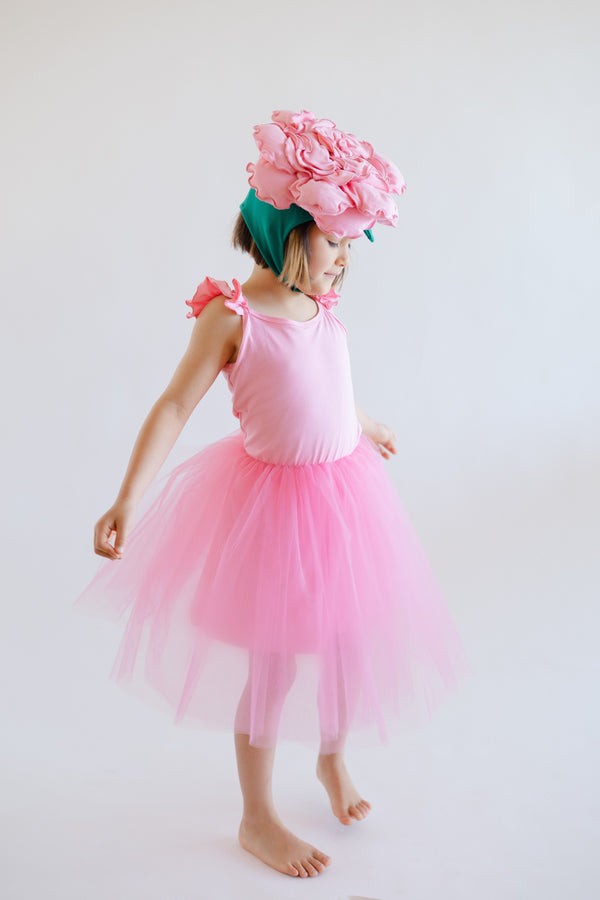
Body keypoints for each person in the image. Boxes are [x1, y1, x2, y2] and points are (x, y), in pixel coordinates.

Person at [75, 109, 472, 879]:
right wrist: (127, 497)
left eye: (355, 244)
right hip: (276, 514)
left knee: (349, 642)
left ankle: (332, 760)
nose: (347, 261)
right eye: (334, 242)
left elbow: (323, 382)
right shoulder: (234, 315)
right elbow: (172, 406)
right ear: (285, 234)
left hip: (345, 497)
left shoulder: (321, 305)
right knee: (276, 666)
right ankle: (257, 816)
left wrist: (361, 423)